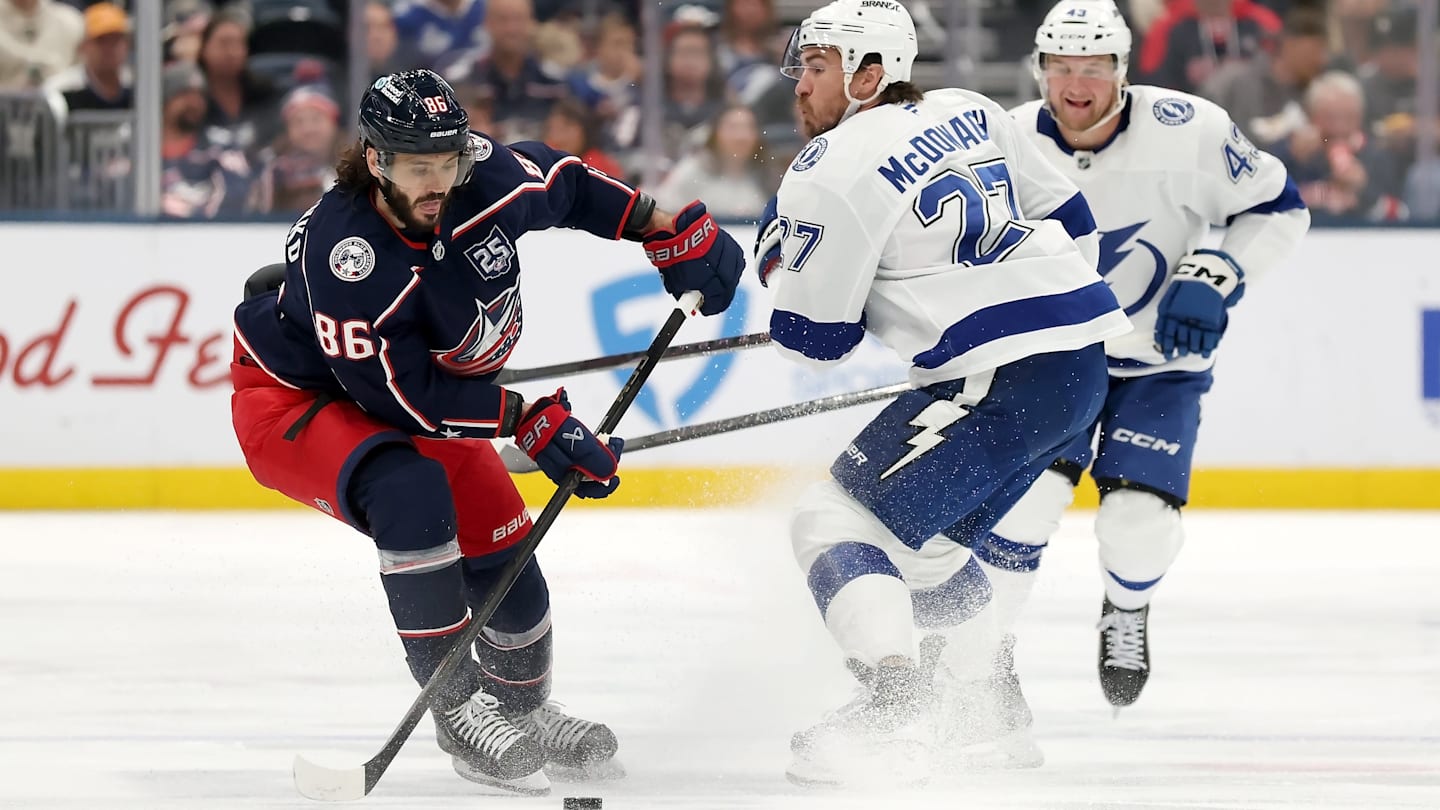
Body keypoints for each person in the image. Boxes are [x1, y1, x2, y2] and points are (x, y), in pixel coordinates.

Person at [230, 69, 743, 795]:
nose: (440, 181)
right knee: (410, 494)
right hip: (296, 403)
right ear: (375, 160)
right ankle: (460, 706)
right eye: (419, 168)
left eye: (449, 161)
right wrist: (527, 421)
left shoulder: (479, 173)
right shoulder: (350, 257)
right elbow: (405, 404)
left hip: (423, 395)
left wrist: (660, 226)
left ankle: (523, 712)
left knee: (509, 560)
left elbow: (567, 182)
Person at [752, 0, 1130, 786]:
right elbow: (1074, 215)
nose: (801, 86)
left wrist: (777, 252)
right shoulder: (969, 107)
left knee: (833, 521)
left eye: (818, 67)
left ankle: (894, 715)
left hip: (1000, 378)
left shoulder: (829, 168)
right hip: (1081, 364)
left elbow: (814, 338)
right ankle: (986, 713)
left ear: (868, 75)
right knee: (924, 554)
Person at [993, 0, 1309, 711]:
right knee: (1018, 512)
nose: (1078, 85)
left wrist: (1217, 274)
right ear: (1039, 69)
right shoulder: (1002, 142)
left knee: (1137, 526)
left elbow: (1278, 207)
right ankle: (982, 658)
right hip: (1054, 359)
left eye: (1095, 68)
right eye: (1063, 67)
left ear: (1123, 71)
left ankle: (1126, 609)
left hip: (1160, 359)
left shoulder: (1188, 128)